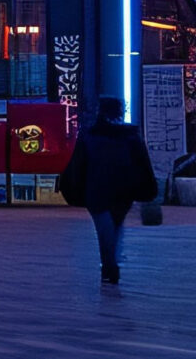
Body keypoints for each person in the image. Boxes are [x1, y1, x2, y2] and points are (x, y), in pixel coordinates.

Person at [58, 95, 160, 285]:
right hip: (124, 190)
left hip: (96, 189)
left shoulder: (90, 136)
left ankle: (109, 265)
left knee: (104, 229)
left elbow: (78, 165)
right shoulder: (130, 135)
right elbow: (142, 164)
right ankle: (110, 263)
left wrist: (73, 187)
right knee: (116, 225)